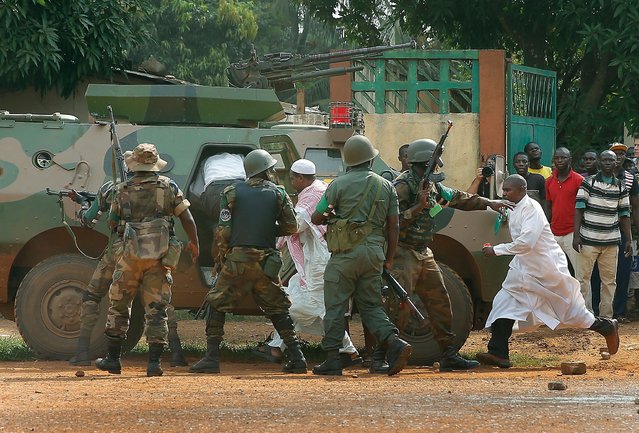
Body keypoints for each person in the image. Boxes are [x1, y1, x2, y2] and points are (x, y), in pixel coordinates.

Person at [391, 138, 511, 372]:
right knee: (400, 306)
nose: (438, 164)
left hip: (423, 252)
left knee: (441, 302)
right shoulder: (402, 186)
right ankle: (385, 354)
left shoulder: (431, 184)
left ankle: (448, 354)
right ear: (425, 160)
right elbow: (391, 221)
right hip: (403, 252)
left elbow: (456, 197)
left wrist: (489, 202)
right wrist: (417, 208)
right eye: (435, 159)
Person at [478, 174, 620, 368]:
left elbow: (526, 243)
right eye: (503, 190)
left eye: (508, 190)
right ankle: (498, 353)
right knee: (503, 303)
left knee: (571, 312)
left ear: (522, 190)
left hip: (547, 270)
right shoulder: (513, 206)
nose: (504, 193)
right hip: (523, 269)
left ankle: (606, 326)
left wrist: (496, 250)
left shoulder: (532, 209)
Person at [190, 149, 307, 374]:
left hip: (239, 260)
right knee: (277, 308)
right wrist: (269, 229)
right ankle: (297, 357)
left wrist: (222, 259)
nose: (273, 171)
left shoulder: (231, 192)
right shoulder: (279, 193)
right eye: (270, 168)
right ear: (264, 171)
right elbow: (291, 227)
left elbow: (223, 232)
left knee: (216, 303)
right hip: (267, 261)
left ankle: (212, 358)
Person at [311, 134, 412, 376]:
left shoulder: (338, 185)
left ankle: (333, 359)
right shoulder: (386, 185)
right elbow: (394, 225)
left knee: (335, 305)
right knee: (371, 306)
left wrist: (331, 216)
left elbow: (316, 217)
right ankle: (395, 343)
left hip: (344, 255)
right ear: (369, 159)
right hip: (374, 254)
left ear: (349, 160)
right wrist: (388, 258)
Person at [95, 143, 199, 377]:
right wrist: (195, 243)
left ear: (135, 164)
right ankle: (154, 364)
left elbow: (112, 223)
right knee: (157, 309)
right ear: (155, 164)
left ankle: (113, 360)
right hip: (159, 258)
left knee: (119, 306)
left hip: (129, 258)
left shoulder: (122, 188)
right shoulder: (169, 186)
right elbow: (187, 217)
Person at [254, 159, 362, 368]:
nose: (291, 182)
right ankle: (277, 347)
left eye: (293, 178)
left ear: (301, 178)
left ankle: (348, 351)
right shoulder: (318, 188)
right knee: (296, 288)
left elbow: (295, 224)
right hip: (315, 256)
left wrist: (266, 228)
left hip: (320, 259)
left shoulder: (312, 195)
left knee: (311, 306)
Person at [69, 181, 188, 368]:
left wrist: (84, 203)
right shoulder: (166, 186)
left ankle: (83, 351)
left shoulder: (112, 188)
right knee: (159, 302)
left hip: (124, 252)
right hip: (156, 252)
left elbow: (87, 221)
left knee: (93, 294)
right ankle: (176, 353)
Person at [573, 150, 632, 318]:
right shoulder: (588, 183)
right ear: (600, 162)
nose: (608, 163)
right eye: (605, 160)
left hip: (611, 241)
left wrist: (628, 239)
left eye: (611, 160)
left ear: (616, 163)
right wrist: (576, 236)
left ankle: (606, 317)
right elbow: (578, 210)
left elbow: (624, 215)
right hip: (588, 240)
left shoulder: (621, 186)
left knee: (609, 282)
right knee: (583, 279)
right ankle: (584, 316)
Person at [591, 143, 639, 320]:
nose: (618, 157)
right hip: (598, 230)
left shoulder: (630, 179)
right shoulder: (594, 179)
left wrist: (632, 236)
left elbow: (634, 207)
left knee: (622, 272)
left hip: (622, 230)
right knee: (596, 273)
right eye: (615, 154)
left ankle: (618, 312)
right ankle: (595, 312)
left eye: (621, 155)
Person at [544, 147, 583, 273]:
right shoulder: (549, 182)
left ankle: (582, 294)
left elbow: (583, 209)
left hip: (573, 233)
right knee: (554, 272)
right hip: (554, 233)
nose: (559, 160)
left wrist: (578, 235)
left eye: (563, 157)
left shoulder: (579, 180)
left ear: (570, 160)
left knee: (580, 273)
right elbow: (548, 207)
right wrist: (546, 230)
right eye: (557, 158)